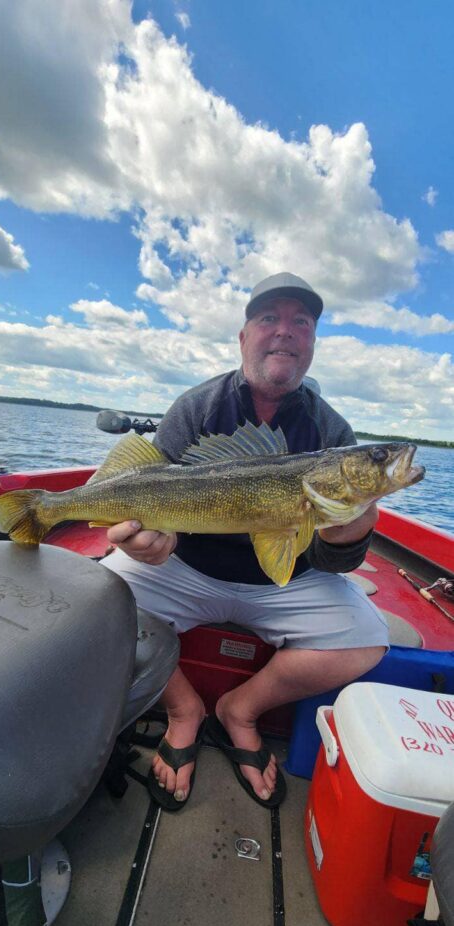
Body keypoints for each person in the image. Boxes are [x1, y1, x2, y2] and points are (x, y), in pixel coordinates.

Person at [102, 272, 389, 811]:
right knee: (99, 598)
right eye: (269, 319)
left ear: (311, 344)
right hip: (185, 568)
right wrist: (143, 542)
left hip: (282, 582)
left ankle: (241, 708)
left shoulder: (333, 432)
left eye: (300, 322)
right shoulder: (196, 408)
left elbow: (331, 561)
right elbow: (146, 491)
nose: (284, 331)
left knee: (367, 639)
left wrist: (350, 533)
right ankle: (185, 708)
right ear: (243, 337)